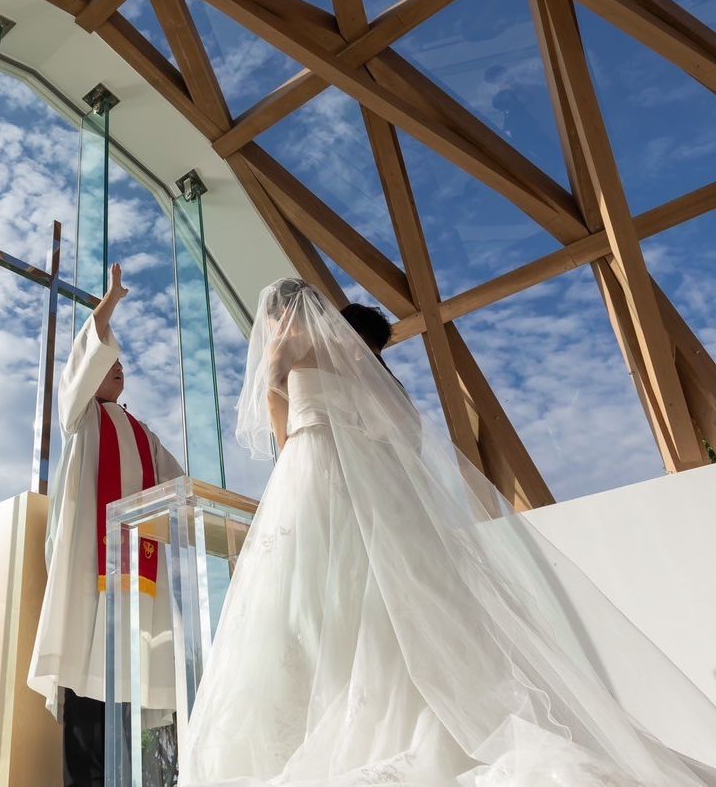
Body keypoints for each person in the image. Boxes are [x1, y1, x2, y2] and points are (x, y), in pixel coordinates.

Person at [180, 278, 716, 786]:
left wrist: (291, 434)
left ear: (280, 315)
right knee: (391, 589)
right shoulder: (367, 370)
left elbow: (275, 409)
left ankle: (330, 711)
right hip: (369, 476)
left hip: (309, 465)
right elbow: (406, 439)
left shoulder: (287, 350)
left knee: (308, 595)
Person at [28, 262, 183, 787]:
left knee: (120, 687)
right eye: (109, 363)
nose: (118, 369)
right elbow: (83, 356)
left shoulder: (142, 433)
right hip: (89, 570)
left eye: (121, 366)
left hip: (132, 583)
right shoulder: (82, 417)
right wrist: (109, 303)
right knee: (85, 682)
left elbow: (180, 489)